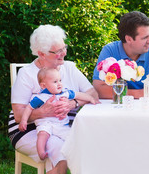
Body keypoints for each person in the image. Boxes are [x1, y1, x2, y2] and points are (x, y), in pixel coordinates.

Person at [9, 24, 99, 174]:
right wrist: (43, 112)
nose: (63, 53)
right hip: (28, 129)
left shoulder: (69, 68)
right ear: (41, 54)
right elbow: (19, 116)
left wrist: (72, 103)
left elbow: (93, 94)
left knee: (89, 144)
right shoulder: (27, 73)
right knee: (60, 149)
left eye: (64, 48)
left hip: (62, 126)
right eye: (57, 51)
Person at [19, 68, 98, 160]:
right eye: (55, 81)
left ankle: (77, 155)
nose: (59, 83)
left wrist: (91, 99)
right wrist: (23, 121)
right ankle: (41, 152)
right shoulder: (40, 97)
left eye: (60, 80)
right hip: (45, 123)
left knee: (70, 136)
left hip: (61, 125)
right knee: (42, 134)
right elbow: (29, 108)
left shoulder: (65, 93)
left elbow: (79, 95)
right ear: (43, 86)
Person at [93, 11, 149, 99]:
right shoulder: (110, 51)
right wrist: (137, 94)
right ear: (128, 39)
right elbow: (98, 89)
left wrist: (124, 93)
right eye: (145, 38)